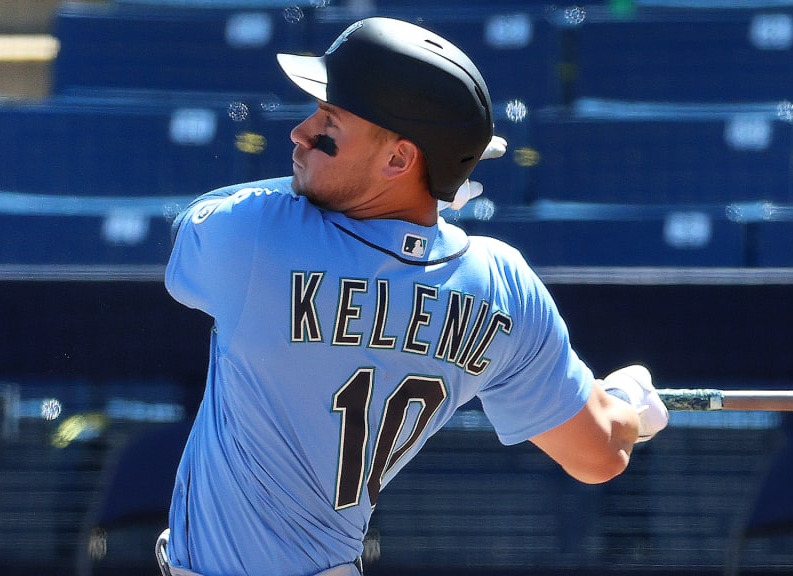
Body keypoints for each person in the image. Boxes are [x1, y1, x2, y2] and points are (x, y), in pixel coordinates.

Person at [158, 16, 669, 576]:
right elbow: (599, 455)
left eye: (329, 124)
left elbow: (194, 223)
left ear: (400, 160)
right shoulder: (500, 283)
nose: (300, 133)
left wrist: (416, 190)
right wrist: (627, 404)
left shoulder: (255, 235)